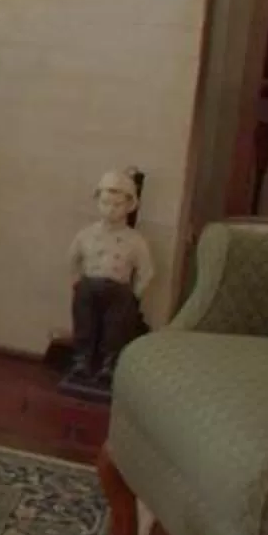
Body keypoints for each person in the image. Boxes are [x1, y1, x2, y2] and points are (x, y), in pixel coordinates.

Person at [64, 168, 155, 395]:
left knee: (115, 329)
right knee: (85, 323)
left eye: (117, 204)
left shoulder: (135, 241)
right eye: (105, 203)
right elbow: (71, 260)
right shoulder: (86, 234)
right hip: (89, 286)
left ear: (129, 206)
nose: (110, 209)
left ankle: (109, 365)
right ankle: (81, 362)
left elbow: (147, 271)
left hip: (119, 291)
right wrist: (76, 283)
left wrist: (135, 295)